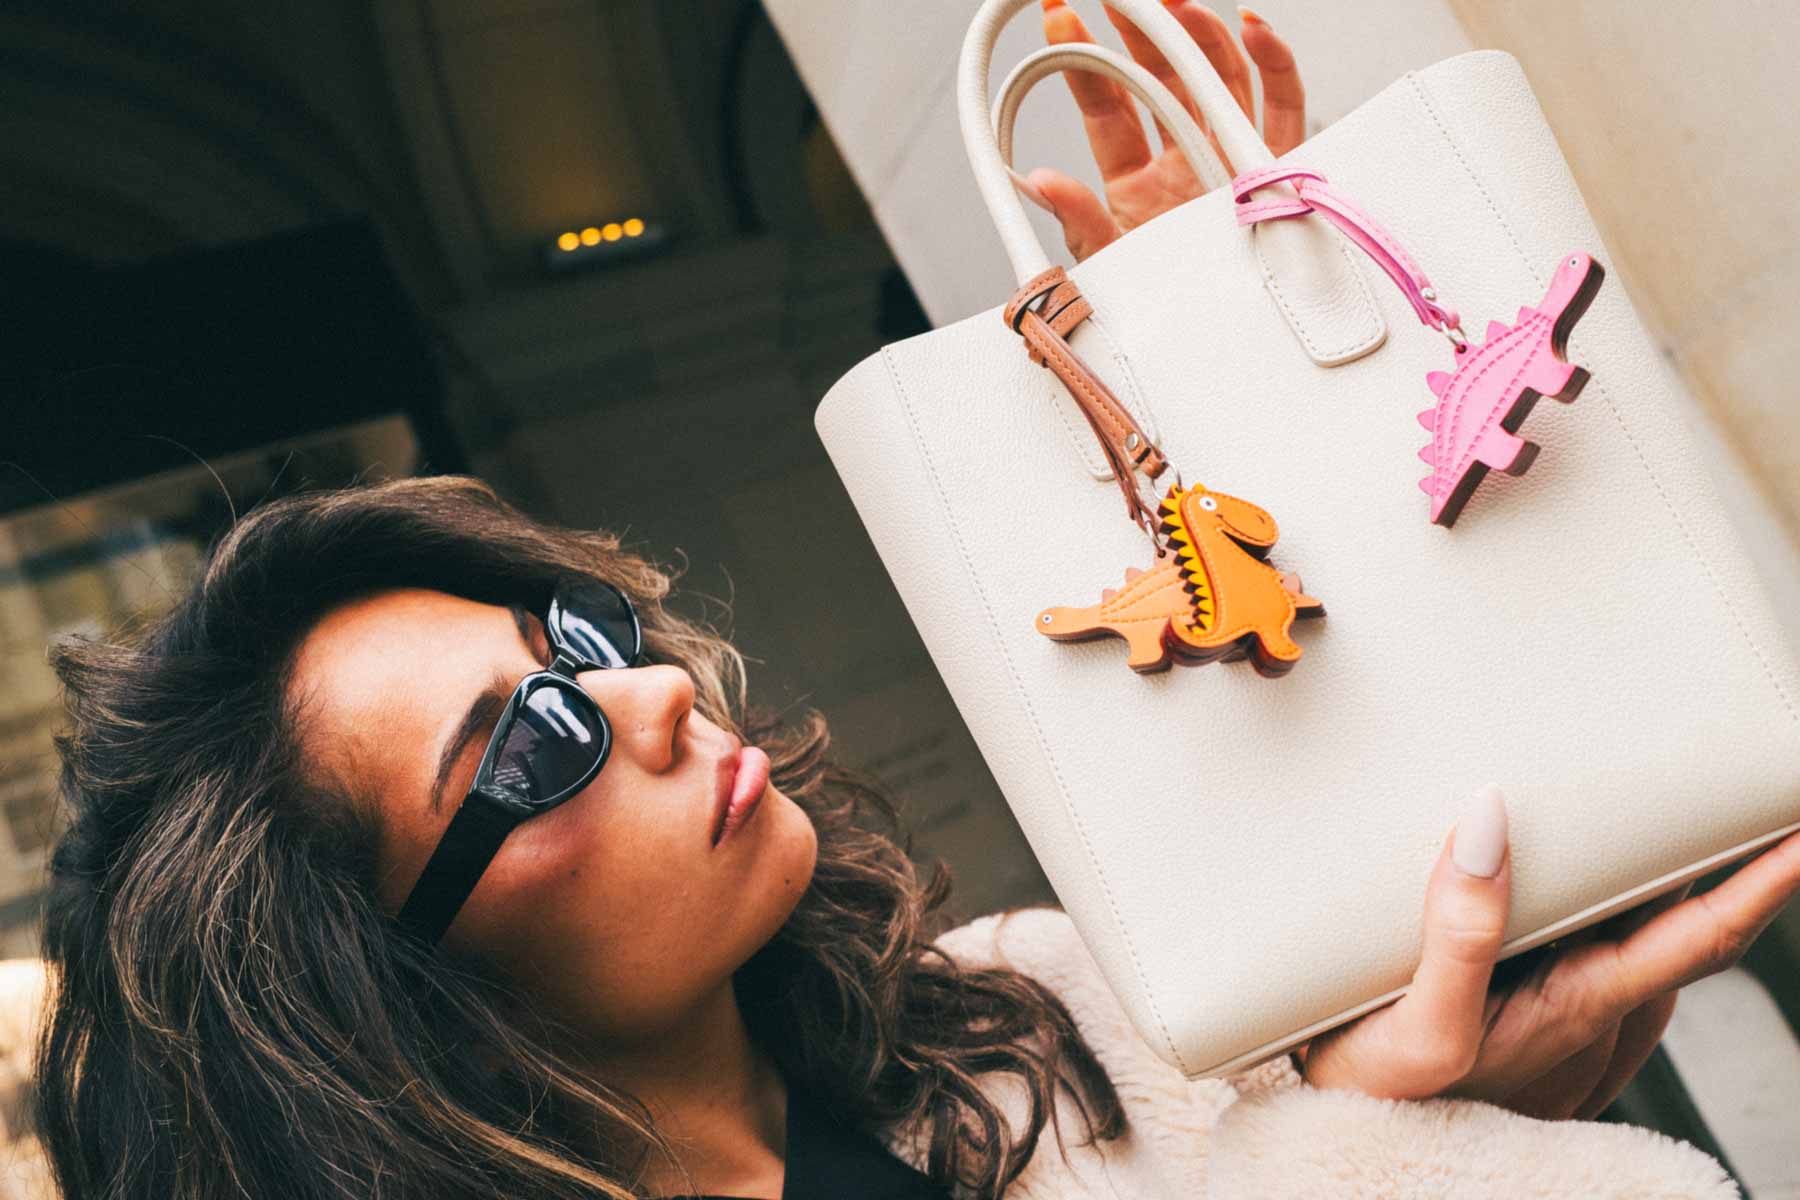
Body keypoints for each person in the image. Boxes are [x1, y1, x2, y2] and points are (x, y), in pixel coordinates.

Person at [26, 5, 1800, 1200]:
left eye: (578, 644)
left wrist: (1286, 436)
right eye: (533, 741)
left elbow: (1469, 830)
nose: (647, 697)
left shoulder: (1043, 1027)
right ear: (371, 995)